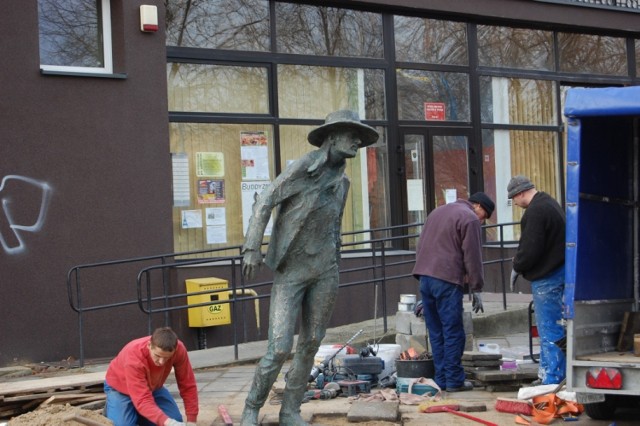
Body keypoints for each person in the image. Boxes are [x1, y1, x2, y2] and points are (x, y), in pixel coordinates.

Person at [240, 110, 379, 425]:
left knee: (311, 342)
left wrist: (336, 259)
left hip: (325, 271)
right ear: (332, 136)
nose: (357, 141)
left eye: (360, 136)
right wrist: (252, 247)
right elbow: (265, 200)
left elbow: (335, 228)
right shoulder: (303, 168)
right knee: (278, 348)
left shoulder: (343, 183)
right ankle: (251, 407)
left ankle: (290, 410)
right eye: (351, 134)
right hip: (291, 273)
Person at [412, 192, 495, 393]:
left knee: (436, 331)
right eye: (485, 215)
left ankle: (441, 379)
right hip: (446, 279)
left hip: (425, 277)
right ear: (478, 206)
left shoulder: (437, 211)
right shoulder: (470, 218)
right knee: (452, 331)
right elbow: (473, 256)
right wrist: (477, 287)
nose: (482, 221)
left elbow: (420, 245)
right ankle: (455, 380)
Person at [508, 175, 566, 385]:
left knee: (549, 329)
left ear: (521, 193)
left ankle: (552, 378)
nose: (514, 203)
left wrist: (518, 265)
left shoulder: (535, 212)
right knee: (554, 328)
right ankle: (547, 373)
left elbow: (531, 248)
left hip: (548, 278)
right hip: (559, 272)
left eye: (513, 198)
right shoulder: (549, 203)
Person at [104, 327, 198, 426]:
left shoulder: (179, 349)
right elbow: (142, 399)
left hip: (151, 387)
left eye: (167, 358)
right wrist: (167, 422)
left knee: (175, 419)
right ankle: (114, 407)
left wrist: (192, 420)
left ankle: (138, 413)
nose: (161, 362)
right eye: (157, 356)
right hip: (120, 388)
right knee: (123, 424)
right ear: (149, 345)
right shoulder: (134, 358)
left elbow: (187, 385)